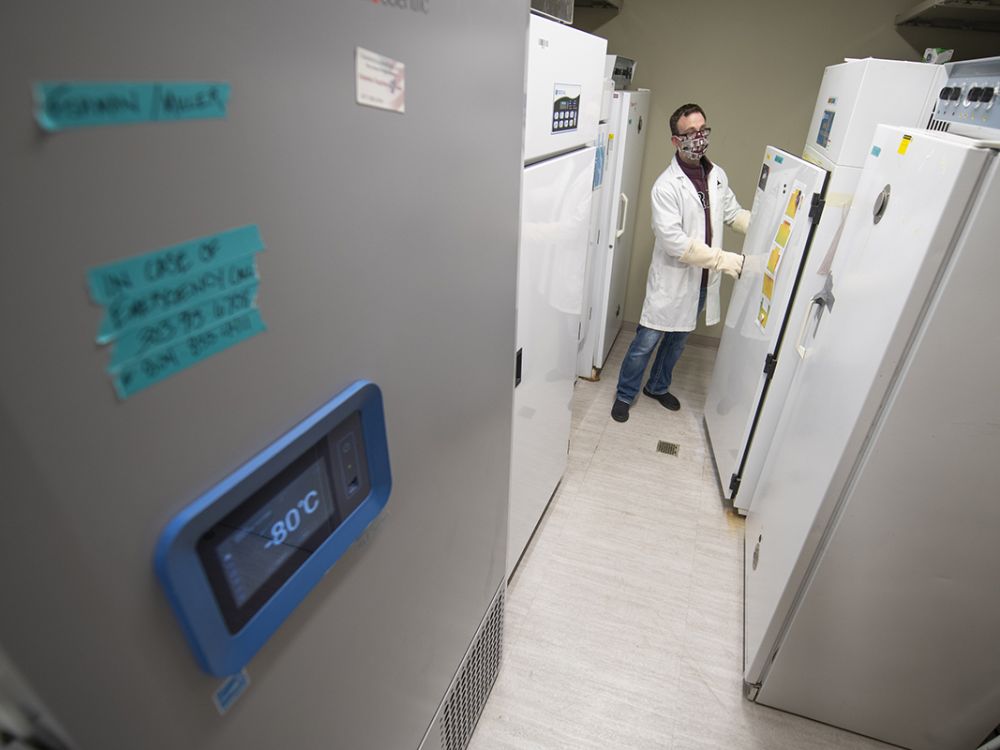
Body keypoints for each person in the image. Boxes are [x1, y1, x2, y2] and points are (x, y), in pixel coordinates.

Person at [611, 103, 751, 423]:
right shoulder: (666, 186)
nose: (699, 137)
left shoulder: (717, 176)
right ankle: (625, 394)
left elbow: (733, 214)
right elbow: (674, 242)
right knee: (645, 342)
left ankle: (657, 387)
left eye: (703, 130)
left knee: (677, 342)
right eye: (690, 133)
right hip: (673, 280)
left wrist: (770, 224)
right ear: (676, 140)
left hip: (701, 281)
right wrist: (722, 259)